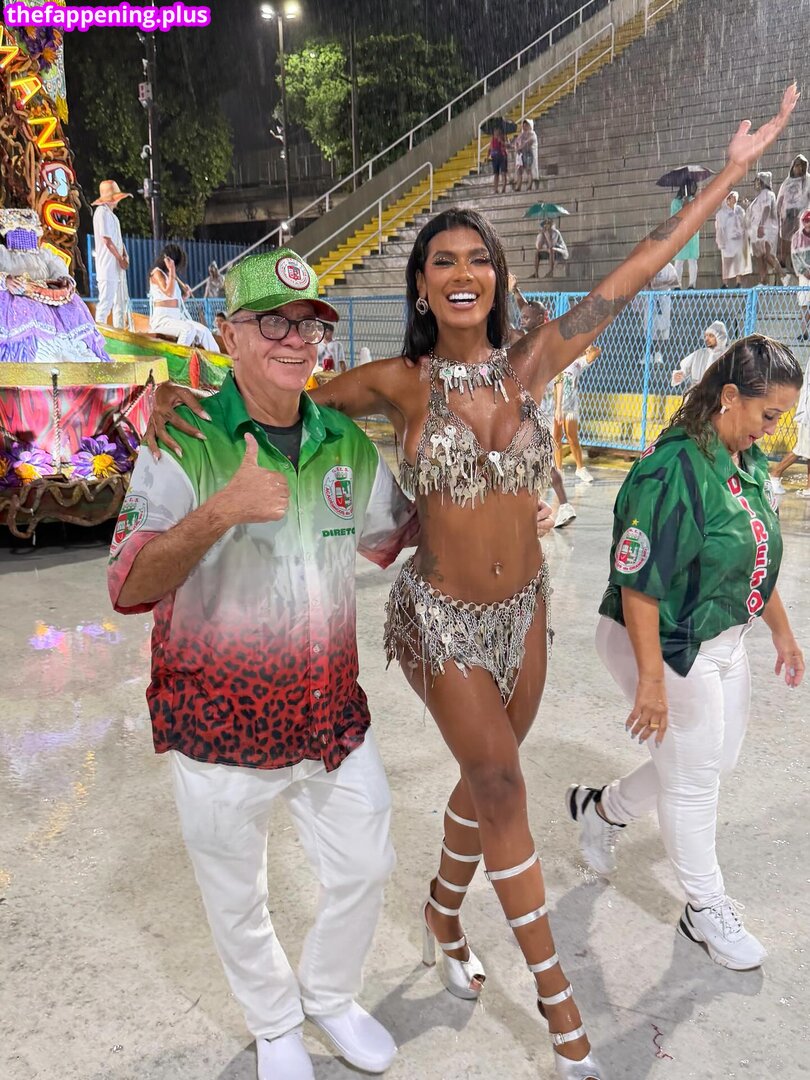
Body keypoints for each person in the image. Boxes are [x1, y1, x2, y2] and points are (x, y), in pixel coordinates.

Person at [144, 87, 799, 1080]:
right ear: (421, 287)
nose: (462, 273)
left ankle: (443, 915)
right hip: (439, 622)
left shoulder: (536, 362)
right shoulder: (396, 384)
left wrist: (733, 174)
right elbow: (279, 399)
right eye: (442, 261)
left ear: (497, 278)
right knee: (501, 783)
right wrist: (178, 395)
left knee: (484, 778)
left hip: (526, 615)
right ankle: (562, 1015)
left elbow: (640, 265)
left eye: (477, 259)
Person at [108, 249, 418, 1080]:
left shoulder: (344, 443)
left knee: (367, 863)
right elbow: (129, 583)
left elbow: (398, 535)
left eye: (308, 324)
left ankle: (330, 994)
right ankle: (275, 1021)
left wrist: (494, 498)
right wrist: (222, 511)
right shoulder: (183, 439)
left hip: (328, 716)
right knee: (235, 890)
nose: (292, 338)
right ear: (228, 335)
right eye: (271, 321)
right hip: (219, 724)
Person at [568, 335, 804, 972]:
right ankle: (704, 909)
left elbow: (753, 553)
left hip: (719, 636)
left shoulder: (743, 455)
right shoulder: (674, 468)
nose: (774, 430)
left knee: (709, 763)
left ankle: (601, 810)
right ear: (729, 396)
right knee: (694, 780)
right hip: (665, 638)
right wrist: (650, 681)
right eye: (769, 414)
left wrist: (781, 632)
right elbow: (640, 584)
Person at [0, 208, 111, 365]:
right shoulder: (3, 254)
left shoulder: (43, 254)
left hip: (49, 298)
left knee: (73, 306)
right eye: (19, 231)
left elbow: (58, 268)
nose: (24, 235)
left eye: (29, 231)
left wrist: (64, 279)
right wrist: (6, 280)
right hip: (15, 300)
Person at [509, 281, 577, 527]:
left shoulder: (532, 339)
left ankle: (561, 506)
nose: (522, 318)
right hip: (532, 408)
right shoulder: (541, 331)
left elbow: (508, 330)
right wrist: (515, 291)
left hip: (537, 410)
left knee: (541, 461)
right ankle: (553, 505)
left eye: (527, 317)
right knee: (536, 461)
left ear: (539, 319)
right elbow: (527, 309)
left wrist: (493, 298)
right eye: (522, 316)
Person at [148, 244, 220, 352]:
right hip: (162, 319)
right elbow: (168, 293)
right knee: (188, 330)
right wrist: (172, 270)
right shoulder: (157, 273)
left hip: (176, 318)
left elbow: (174, 301)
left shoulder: (171, 275)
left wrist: (185, 296)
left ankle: (219, 360)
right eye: (175, 264)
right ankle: (178, 357)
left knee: (205, 332)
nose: (176, 267)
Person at [552, 344, 601, 482]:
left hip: (571, 406)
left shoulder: (576, 363)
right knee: (556, 437)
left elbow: (597, 352)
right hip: (555, 406)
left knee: (572, 437)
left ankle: (580, 469)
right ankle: (558, 470)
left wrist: (587, 346)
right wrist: (557, 409)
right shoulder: (554, 363)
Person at [92, 180, 132, 329]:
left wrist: (125, 256)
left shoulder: (113, 217)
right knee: (106, 303)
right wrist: (120, 258)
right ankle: (100, 332)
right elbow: (106, 240)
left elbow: (118, 240)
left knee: (120, 303)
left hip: (117, 266)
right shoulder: (101, 212)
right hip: (108, 266)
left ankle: (119, 331)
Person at [770, 353, 810, 498]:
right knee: (801, 449)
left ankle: (809, 487)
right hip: (808, 415)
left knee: (807, 450)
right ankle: (775, 474)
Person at [776, 153, 810, 276]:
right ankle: (784, 262)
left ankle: (796, 262)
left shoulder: (808, 180)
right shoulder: (787, 182)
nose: (798, 168)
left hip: (801, 215)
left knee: (798, 238)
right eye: (796, 165)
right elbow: (780, 198)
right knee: (785, 238)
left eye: (801, 166)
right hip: (787, 214)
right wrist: (778, 211)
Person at [747, 171, 782, 286]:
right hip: (757, 232)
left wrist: (761, 225)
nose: (756, 183)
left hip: (766, 230)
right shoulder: (759, 197)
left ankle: (784, 277)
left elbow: (767, 209)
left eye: (757, 181)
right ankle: (763, 281)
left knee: (768, 256)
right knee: (760, 257)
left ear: (763, 181)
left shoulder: (768, 194)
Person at [672, 321, 729, 389]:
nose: (706, 339)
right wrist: (679, 376)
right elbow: (684, 370)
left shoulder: (728, 355)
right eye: (706, 336)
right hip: (698, 392)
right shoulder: (699, 354)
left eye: (711, 336)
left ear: (720, 337)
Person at [714, 191, 751, 287]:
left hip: (738, 241)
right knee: (727, 262)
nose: (734, 198)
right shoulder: (722, 213)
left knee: (738, 261)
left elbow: (745, 221)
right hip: (728, 242)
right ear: (728, 199)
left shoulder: (739, 210)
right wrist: (721, 241)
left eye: (735, 197)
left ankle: (738, 282)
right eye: (732, 197)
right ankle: (725, 283)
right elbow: (720, 228)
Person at [671, 178, 700, 288]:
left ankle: (692, 285)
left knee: (692, 260)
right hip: (680, 234)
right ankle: (676, 285)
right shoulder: (675, 202)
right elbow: (674, 218)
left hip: (692, 234)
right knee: (679, 261)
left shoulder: (695, 201)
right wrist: (683, 207)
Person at [791, 207, 810, 340]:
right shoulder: (797, 237)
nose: (808, 223)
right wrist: (804, 271)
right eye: (806, 221)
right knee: (803, 303)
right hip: (804, 276)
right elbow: (795, 256)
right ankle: (804, 331)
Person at [513, 118, 538, 194]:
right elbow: (516, 142)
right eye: (523, 125)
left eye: (526, 125)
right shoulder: (521, 134)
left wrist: (520, 147)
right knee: (519, 171)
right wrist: (516, 147)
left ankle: (529, 186)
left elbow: (528, 142)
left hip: (528, 153)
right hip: (521, 154)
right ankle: (518, 186)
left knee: (528, 169)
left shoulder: (532, 134)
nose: (524, 127)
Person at [488, 123, 509, 195]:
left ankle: (503, 188)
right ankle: (495, 189)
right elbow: (490, 148)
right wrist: (488, 155)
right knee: (496, 174)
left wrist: (501, 142)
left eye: (497, 131)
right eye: (495, 131)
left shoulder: (503, 137)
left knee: (503, 173)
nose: (496, 133)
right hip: (495, 158)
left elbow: (507, 145)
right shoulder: (492, 140)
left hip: (502, 156)